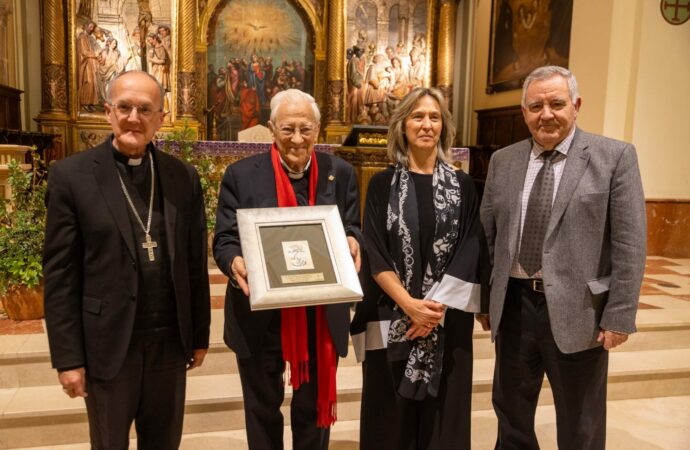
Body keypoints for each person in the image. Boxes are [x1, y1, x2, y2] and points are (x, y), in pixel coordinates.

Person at [479, 65, 646, 449]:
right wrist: (488, 301)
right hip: (516, 307)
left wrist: (619, 315)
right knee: (512, 415)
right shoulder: (504, 161)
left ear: (576, 105)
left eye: (556, 103)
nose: (546, 114)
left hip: (579, 312)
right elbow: (489, 235)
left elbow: (630, 244)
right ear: (524, 112)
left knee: (580, 423)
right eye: (535, 106)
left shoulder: (614, 157)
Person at [43, 70, 211, 450]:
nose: (133, 117)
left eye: (144, 109)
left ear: (160, 119)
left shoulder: (183, 177)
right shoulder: (72, 176)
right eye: (124, 107)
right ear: (108, 112)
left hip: (169, 345)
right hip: (107, 346)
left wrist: (198, 334)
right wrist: (68, 358)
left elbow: (194, 264)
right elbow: (60, 274)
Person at [213, 89, 363, 450]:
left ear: (318, 129)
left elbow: (353, 226)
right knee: (262, 409)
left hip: (319, 316)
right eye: (287, 129)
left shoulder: (339, 173)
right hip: (260, 317)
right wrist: (235, 262)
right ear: (271, 129)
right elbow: (224, 239)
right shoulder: (241, 175)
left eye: (305, 129)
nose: (297, 139)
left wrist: (354, 241)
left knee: (312, 411)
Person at [350, 87, 490, 449]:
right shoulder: (382, 185)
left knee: (442, 417)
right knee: (389, 416)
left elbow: (469, 248)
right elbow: (376, 252)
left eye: (434, 117)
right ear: (402, 126)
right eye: (417, 116)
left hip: (447, 319)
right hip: (393, 313)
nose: (426, 124)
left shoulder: (462, 186)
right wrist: (410, 305)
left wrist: (431, 311)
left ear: (443, 126)